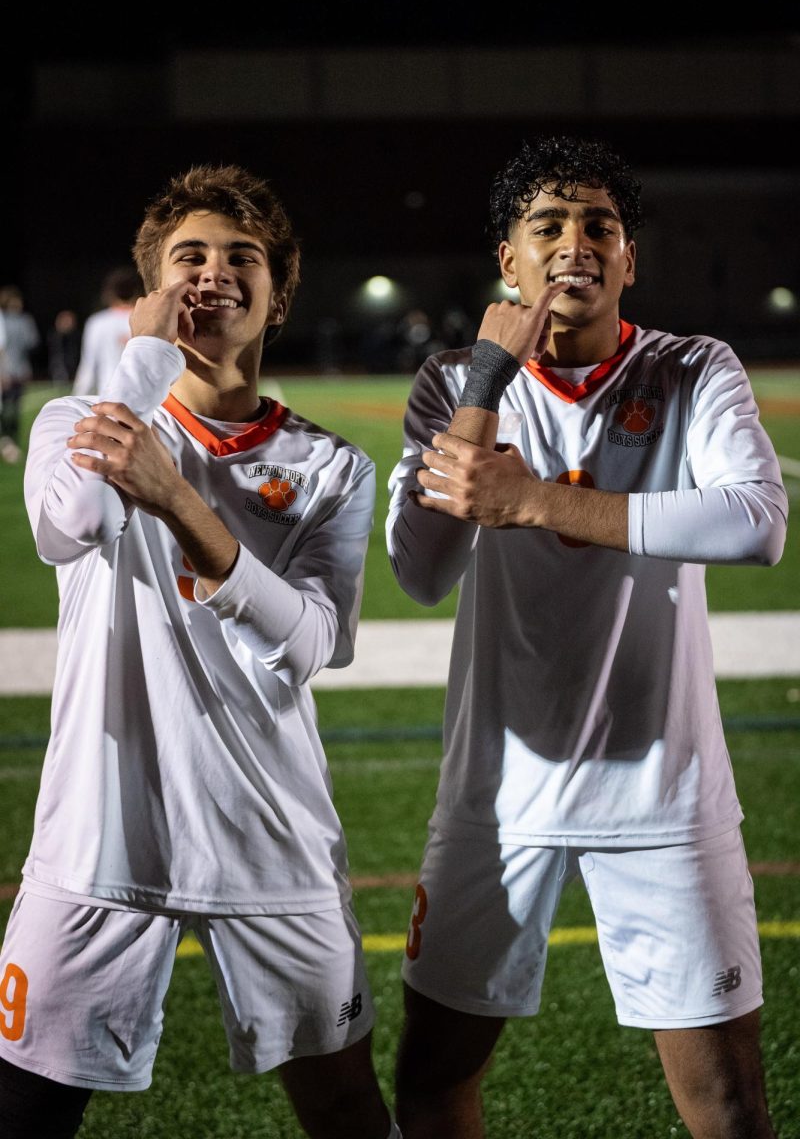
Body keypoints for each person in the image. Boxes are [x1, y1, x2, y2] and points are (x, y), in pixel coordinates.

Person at [386, 135, 787, 1139]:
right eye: (547, 225)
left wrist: (536, 503)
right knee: (432, 1078)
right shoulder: (450, 383)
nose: (575, 242)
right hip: (497, 791)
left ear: (628, 258)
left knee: (729, 1107)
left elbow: (754, 522)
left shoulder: (691, 367)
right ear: (506, 262)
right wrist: (484, 383)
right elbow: (420, 570)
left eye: (598, 225)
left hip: (663, 791)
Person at [0, 165, 399, 1139]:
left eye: (240, 258)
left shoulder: (330, 466)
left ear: (278, 292)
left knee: (346, 1110)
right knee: (20, 1113)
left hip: (269, 834)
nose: (212, 274)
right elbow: (80, 518)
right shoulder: (66, 422)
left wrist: (179, 501)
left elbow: (312, 642)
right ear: (148, 289)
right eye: (188, 258)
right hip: (100, 835)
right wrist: (141, 362)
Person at [72, 265, 142, 396]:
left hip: (108, 397)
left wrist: (78, 397)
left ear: (110, 292)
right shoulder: (148, 318)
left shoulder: (97, 322)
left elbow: (88, 367)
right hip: (144, 398)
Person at [0, 285, 40, 463]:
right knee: (5, 409)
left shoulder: (24, 320)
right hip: (5, 371)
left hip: (20, 370)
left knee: (15, 409)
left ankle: (11, 442)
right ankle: (6, 441)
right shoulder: (3, 321)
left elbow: (32, 342)